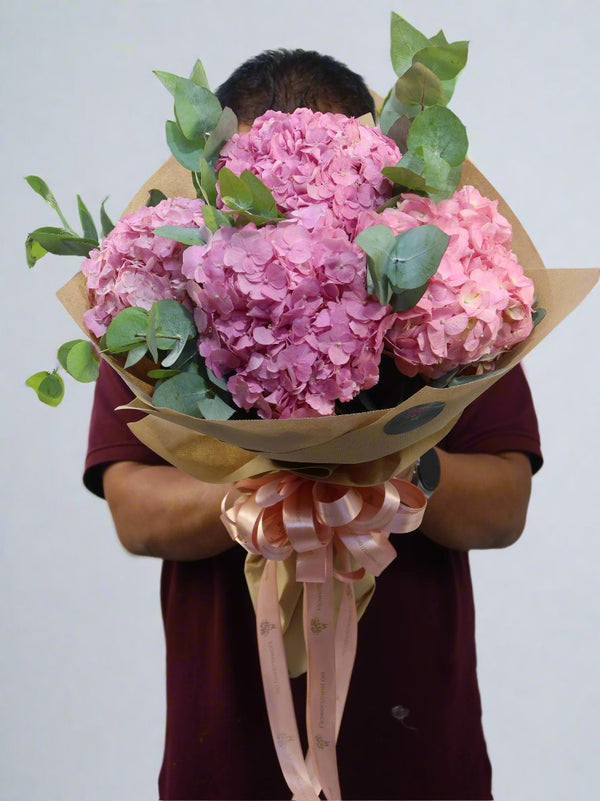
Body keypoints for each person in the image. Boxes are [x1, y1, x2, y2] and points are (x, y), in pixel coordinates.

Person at [83, 50, 543, 801]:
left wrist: (393, 468)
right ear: (215, 177)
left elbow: (505, 505)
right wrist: (270, 490)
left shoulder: (446, 292)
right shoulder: (161, 307)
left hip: (417, 753)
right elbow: (134, 509)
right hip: (225, 756)